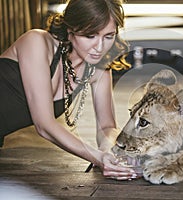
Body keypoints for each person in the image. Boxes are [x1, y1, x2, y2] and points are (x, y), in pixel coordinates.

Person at [0, 0, 135, 180]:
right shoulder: (37, 42)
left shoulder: (99, 68)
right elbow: (44, 125)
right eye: (90, 36)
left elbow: (107, 126)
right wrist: (97, 157)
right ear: (71, 29)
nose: (100, 47)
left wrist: (107, 151)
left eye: (108, 36)